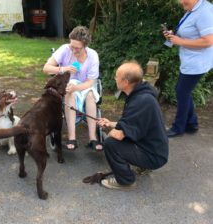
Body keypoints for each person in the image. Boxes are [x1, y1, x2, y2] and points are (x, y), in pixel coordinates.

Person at [96, 61, 169, 190]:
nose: (114, 79)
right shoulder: (142, 95)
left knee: (110, 144)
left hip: (154, 156)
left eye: (117, 76)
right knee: (117, 136)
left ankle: (125, 181)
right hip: (154, 148)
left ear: (126, 82)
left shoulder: (139, 101)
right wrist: (110, 123)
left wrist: (105, 128)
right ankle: (141, 165)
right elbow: (132, 124)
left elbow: (118, 135)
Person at [43, 26, 102, 151]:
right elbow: (46, 68)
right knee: (70, 93)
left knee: (90, 96)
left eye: (78, 48)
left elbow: (91, 82)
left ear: (85, 46)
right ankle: (72, 138)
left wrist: (78, 87)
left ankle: (93, 138)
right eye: (72, 46)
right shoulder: (65, 49)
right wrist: (63, 69)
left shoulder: (92, 56)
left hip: (85, 85)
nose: (74, 51)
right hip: (68, 85)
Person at [163, 0, 213, 137]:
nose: (180, 2)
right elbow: (191, 32)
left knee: (182, 91)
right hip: (190, 60)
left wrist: (180, 41)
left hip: (197, 63)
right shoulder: (193, 10)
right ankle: (191, 124)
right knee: (183, 91)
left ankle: (178, 128)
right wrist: (174, 36)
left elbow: (208, 41)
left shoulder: (204, 12)